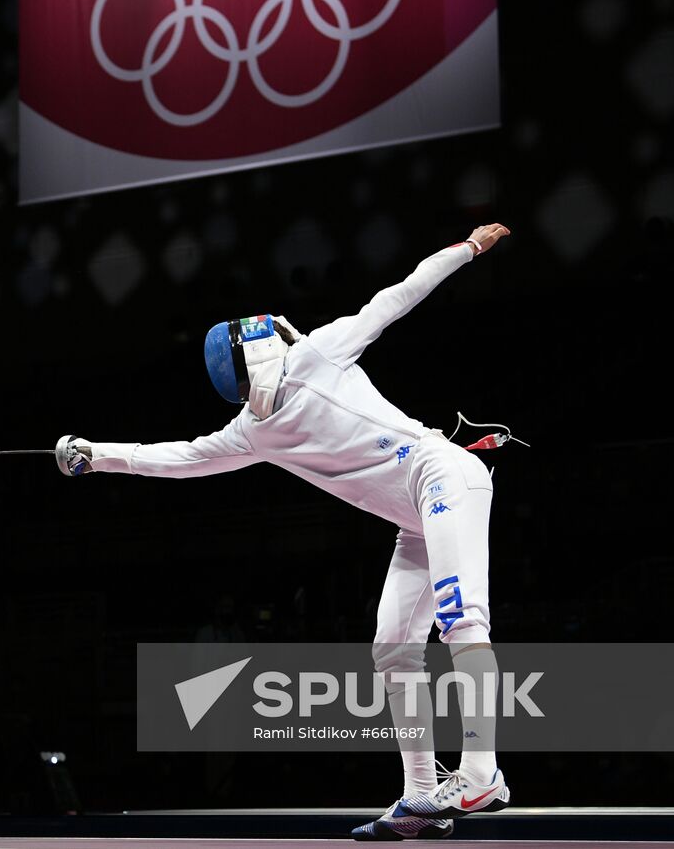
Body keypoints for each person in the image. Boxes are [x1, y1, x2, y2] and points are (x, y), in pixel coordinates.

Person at [56, 225, 513, 841]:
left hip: (444, 477)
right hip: (418, 516)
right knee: (393, 648)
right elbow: (398, 295)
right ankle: (421, 797)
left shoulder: (251, 429)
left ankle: (481, 770)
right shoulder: (309, 361)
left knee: (462, 621)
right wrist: (466, 247)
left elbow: (176, 457)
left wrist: (96, 453)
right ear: (261, 351)